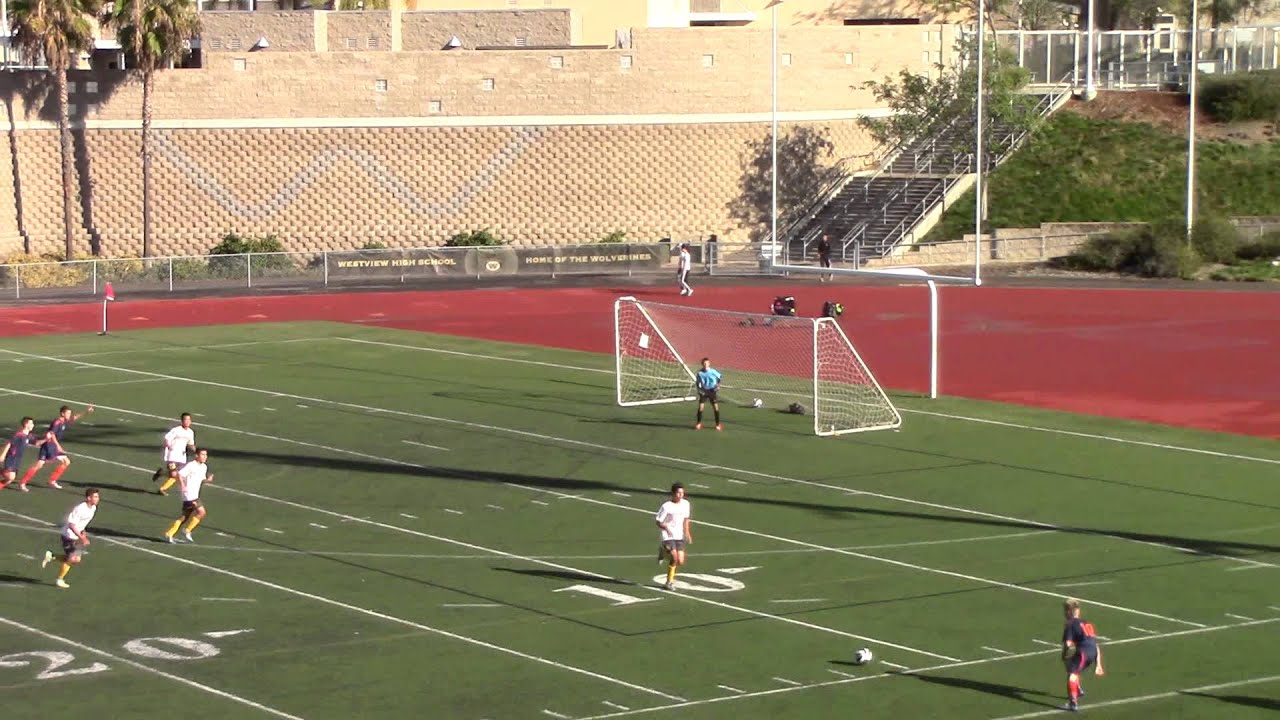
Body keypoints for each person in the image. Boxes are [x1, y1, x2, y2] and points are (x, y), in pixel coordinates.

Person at [21, 405, 94, 490]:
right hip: (49, 445)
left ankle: (52, 480)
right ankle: (23, 482)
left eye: (70, 413)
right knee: (39, 465)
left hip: (52, 445)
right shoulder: (57, 422)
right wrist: (58, 446)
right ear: (62, 413)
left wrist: (86, 412)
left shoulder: (64, 421)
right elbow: (52, 434)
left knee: (66, 461)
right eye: (68, 413)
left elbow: (74, 418)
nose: (69, 415)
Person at [42, 487, 100, 589]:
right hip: (69, 536)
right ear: (88, 498)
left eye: (97, 496)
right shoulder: (80, 509)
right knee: (73, 559)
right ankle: (59, 579)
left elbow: (82, 524)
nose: (97, 498)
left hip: (77, 535)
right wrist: (82, 538)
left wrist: (83, 533)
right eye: (95, 496)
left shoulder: (93, 508)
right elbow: (72, 525)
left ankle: (52, 556)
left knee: (76, 560)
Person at [1061, 598, 1105, 711]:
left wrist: (1064, 654)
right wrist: (1098, 664)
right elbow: (1095, 644)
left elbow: (1068, 643)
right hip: (1093, 652)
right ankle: (1078, 689)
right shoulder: (1086, 623)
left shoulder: (1070, 624)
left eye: (1065, 610)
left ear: (1069, 611)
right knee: (1072, 666)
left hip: (1083, 653)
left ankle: (1073, 703)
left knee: (1072, 674)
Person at [163, 448, 214, 544]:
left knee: (185, 516)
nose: (205, 457)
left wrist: (208, 480)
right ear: (196, 455)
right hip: (189, 494)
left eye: (206, 455)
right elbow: (180, 475)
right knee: (201, 512)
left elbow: (201, 480)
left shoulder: (204, 467)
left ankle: (170, 533)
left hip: (194, 493)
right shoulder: (191, 465)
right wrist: (183, 486)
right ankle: (187, 531)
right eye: (202, 455)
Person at [655, 482, 692, 591]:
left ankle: (662, 552)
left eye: (682, 493)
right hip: (667, 535)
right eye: (678, 493)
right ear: (673, 493)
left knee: (680, 561)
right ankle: (669, 582)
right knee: (674, 558)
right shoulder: (666, 506)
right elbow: (658, 521)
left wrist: (687, 532)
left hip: (679, 535)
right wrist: (666, 528)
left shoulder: (686, 504)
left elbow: (686, 519)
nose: (681, 495)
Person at [153, 413, 196, 496]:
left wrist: (195, 450)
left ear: (191, 421)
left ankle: (161, 474)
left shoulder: (191, 432)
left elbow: (191, 444)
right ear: (182, 421)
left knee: (178, 475)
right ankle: (162, 489)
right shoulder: (176, 430)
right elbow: (167, 438)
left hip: (182, 456)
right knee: (173, 474)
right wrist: (168, 446)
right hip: (172, 454)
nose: (187, 421)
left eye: (188, 420)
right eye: (185, 419)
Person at [0, 417, 43, 492]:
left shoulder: (29, 436)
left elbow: (37, 443)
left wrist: (47, 438)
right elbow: (9, 443)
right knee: (10, 477)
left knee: (9, 480)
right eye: (31, 423)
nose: (33, 425)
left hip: (18, 459)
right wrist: (3, 455)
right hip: (11, 457)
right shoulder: (19, 434)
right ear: (26, 424)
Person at [693, 357, 722, 431]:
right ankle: (698, 424)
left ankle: (717, 424)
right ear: (702, 364)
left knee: (715, 408)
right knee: (701, 407)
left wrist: (718, 385)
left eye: (707, 363)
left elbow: (719, 377)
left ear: (709, 364)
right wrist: (699, 390)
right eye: (704, 363)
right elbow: (698, 382)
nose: (705, 365)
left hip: (712, 391)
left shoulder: (713, 371)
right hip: (704, 391)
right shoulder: (700, 373)